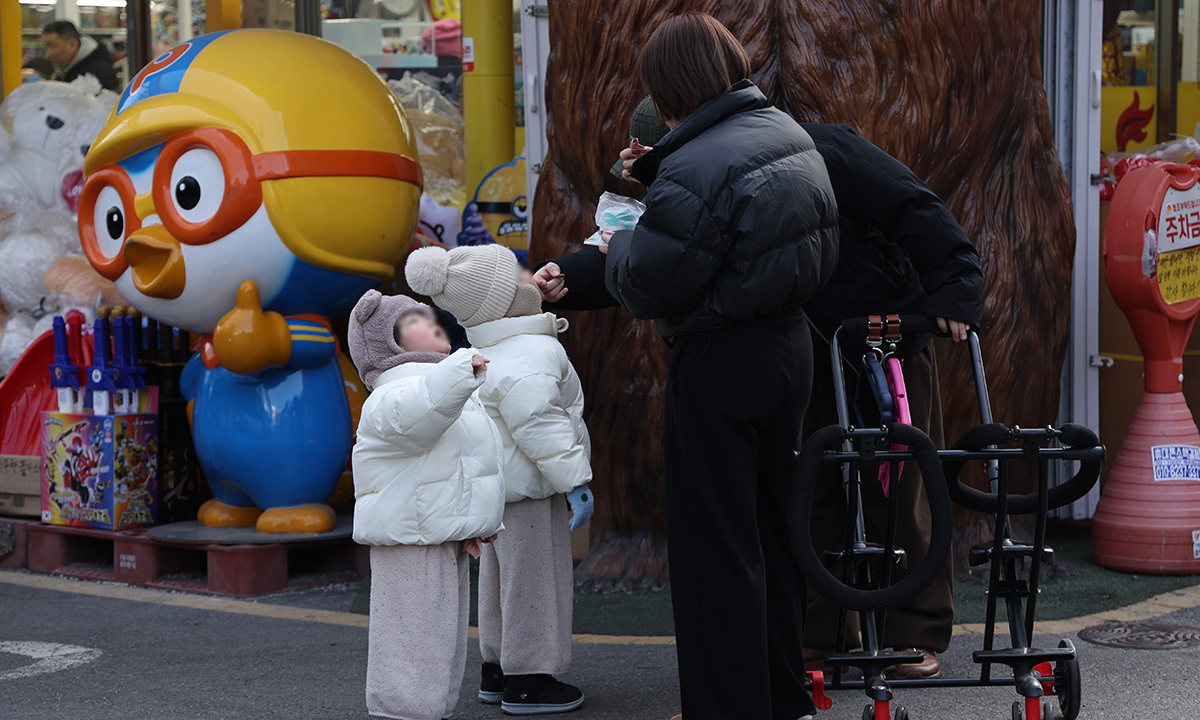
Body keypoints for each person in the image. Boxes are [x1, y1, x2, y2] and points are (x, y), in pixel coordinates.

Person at [539, 90, 983, 680]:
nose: (635, 161)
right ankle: (815, 639)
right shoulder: (690, 177)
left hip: (879, 336)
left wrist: (954, 288)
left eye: (648, 148)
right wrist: (569, 275)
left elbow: (912, 205)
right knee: (809, 490)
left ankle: (913, 631)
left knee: (900, 488)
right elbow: (657, 252)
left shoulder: (822, 146)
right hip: (799, 349)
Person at [572, 12, 841, 720]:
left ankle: (726, 706)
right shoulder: (784, 132)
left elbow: (659, 280)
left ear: (669, 86)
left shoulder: (695, 164)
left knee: (713, 547)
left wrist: (616, 246)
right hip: (789, 349)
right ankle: (784, 697)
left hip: (721, 360)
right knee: (772, 534)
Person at [405, 244, 594, 716]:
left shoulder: (483, 350)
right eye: (519, 275)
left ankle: (497, 668)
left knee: (497, 579)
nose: (531, 277)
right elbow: (539, 423)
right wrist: (575, 481)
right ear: (506, 297)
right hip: (530, 489)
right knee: (535, 581)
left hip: (493, 490)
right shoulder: (532, 350)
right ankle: (530, 678)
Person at [346, 289, 506, 720]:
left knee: (440, 643)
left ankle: (426, 711)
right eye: (414, 319)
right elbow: (418, 418)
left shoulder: (447, 387)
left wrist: (475, 519)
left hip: (435, 533)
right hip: (409, 540)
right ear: (387, 342)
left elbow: (460, 465)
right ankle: (402, 713)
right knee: (412, 643)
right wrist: (456, 372)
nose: (432, 323)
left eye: (431, 316)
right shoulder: (392, 393)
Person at [41, 21, 119, 91]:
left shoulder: (99, 75)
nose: (48, 53)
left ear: (72, 44)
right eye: (46, 47)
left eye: (52, 46)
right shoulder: (65, 71)